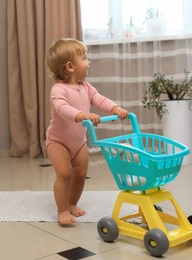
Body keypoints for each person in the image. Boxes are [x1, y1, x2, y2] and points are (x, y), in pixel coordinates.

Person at [45, 38, 128, 225]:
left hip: (78, 143)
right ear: (70, 67)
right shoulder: (58, 90)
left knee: (80, 174)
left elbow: (99, 99)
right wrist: (82, 115)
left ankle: (72, 202)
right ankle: (62, 210)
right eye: (84, 58)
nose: (88, 62)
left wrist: (114, 108)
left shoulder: (86, 87)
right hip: (58, 142)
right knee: (65, 174)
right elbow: (61, 108)